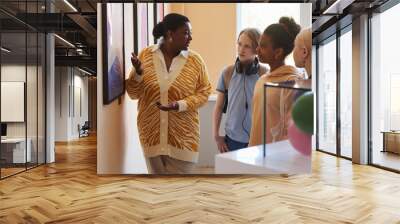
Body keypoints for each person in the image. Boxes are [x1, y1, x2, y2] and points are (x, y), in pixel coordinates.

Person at [126, 13, 212, 174]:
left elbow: (204, 92)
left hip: (184, 139)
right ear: (170, 34)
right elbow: (133, 93)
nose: (190, 38)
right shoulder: (146, 55)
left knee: (180, 192)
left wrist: (179, 105)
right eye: (186, 33)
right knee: (158, 192)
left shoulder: (195, 61)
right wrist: (138, 73)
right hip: (151, 136)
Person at [249, 17, 302, 146]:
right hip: (255, 154)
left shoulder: (293, 83)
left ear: (278, 52)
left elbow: (293, 132)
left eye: (263, 46)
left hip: (276, 160)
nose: (257, 50)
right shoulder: (262, 80)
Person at [213, 28, 268, 153]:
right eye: (239, 44)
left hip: (257, 140)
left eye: (247, 46)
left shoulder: (265, 74)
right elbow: (219, 107)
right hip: (232, 140)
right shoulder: (227, 73)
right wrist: (216, 136)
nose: (241, 49)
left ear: (256, 49)